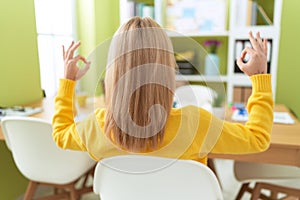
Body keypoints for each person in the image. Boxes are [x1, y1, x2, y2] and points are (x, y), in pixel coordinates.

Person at [52, 17, 273, 164]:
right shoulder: (195, 124)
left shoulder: (96, 127)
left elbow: (60, 135)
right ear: (168, 69)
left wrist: (68, 82)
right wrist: (259, 78)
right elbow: (257, 139)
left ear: (114, 71)